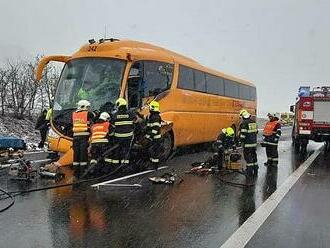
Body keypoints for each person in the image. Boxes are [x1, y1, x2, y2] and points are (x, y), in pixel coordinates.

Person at [108, 98, 134, 167]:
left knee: (117, 150)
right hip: (128, 136)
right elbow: (136, 122)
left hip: (118, 137)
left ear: (118, 105)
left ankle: (116, 165)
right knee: (126, 150)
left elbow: (111, 127)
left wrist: (110, 136)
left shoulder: (115, 115)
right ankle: (125, 166)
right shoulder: (130, 114)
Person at [72, 99, 94, 178]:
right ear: (84, 106)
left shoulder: (74, 114)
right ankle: (83, 171)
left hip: (75, 136)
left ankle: (75, 171)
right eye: (87, 107)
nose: (88, 108)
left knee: (76, 154)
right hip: (84, 136)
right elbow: (94, 118)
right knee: (83, 154)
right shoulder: (88, 114)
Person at [239, 109, 258, 177]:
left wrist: (240, 141)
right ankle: (255, 170)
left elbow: (243, 134)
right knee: (254, 156)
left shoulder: (244, 123)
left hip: (247, 144)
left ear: (243, 116)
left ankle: (249, 172)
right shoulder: (253, 122)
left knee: (248, 157)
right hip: (254, 143)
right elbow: (256, 132)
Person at [145, 100, 162, 170]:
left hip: (155, 138)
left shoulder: (155, 117)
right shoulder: (153, 116)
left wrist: (148, 136)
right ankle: (152, 164)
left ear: (152, 108)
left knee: (154, 152)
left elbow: (155, 130)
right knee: (152, 151)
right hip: (154, 138)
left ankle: (155, 166)